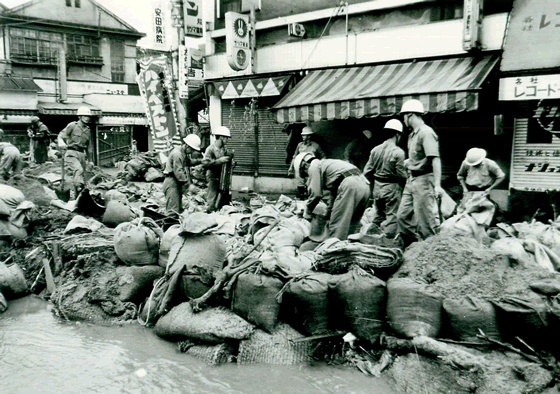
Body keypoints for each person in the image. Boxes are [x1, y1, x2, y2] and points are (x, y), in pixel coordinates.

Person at [396, 99, 444, 244]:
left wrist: (437, 185)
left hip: (423, 180)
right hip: (411, 180)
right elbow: (419, 158)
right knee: (402, 216)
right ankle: (415, 246)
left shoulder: (426, 133)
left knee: (425, 220)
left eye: (404, 116)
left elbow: (435, 159)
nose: (403, 120)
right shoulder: (413, 135)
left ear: (410, 115)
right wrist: (409, 162)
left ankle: (431, 248)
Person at [295, 152, 370, 241]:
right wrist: (328, 213)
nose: (308, 176)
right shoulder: (329, 165)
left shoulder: (313, 166)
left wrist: (308, 211)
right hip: (364, 185)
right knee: (352, 223)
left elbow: (316, 194)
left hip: (350, 185)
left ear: (304, 164)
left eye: (305, 173)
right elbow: (334, 195)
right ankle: (349, 247)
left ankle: (334, 249)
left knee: (338, 224)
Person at [363, 119, 407, 237]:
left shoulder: (375, 150)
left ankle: (370, 237)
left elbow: (366, 171)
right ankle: (388, 241)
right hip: (391, 188)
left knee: (378, 215)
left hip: (377, 188)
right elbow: (402, 175)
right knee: (392, 217)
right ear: (398, 135)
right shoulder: (399, 152)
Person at [58, 106, 93, 200]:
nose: (87, 118)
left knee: (81, 176)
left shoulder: (88, 130)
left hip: (82, 154)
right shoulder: (72, 125)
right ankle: (79, 188)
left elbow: (89, 147)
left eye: (88, 116)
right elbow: (61, 136)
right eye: (85, 116)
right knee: (78, 170)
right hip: (71, 152)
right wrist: (61, 142)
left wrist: (90, 160)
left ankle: (78, 198)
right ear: (80, 116)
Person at [162, 134, 202, 216]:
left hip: (176, 182)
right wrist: (188, 185)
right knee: (172, 211)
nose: (191, 152)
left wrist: (201, 161)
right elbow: (178, 172)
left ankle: (173, 226)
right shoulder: (177, 154)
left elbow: (188, 162)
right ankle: (168, 227)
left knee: (178, 209)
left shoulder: (182, 153)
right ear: (187, 146)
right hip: (171, 182)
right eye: (191, 149)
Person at [288, 126, 326, 198]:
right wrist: (291, 168)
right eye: (302, 135)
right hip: (299, 168)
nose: (302, 137)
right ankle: (301, 200)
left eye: (304, 135)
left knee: (311, 184)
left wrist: (320, 166)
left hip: (310, 168)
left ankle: (309, 200)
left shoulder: (316, 146)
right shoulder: (300, 145)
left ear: (309, 136)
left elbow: (323, 157)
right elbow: (294, 156)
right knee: (300, 185)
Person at [202, 126, 232, 213]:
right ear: (221, 137)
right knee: (212, 200)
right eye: (227, 138)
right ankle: (209, 214)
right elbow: (205, 163)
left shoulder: (224, 149)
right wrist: (219, 161)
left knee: (222, 199)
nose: (227, 140)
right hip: (213, 178)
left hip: (222, 178)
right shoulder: (210, 149)